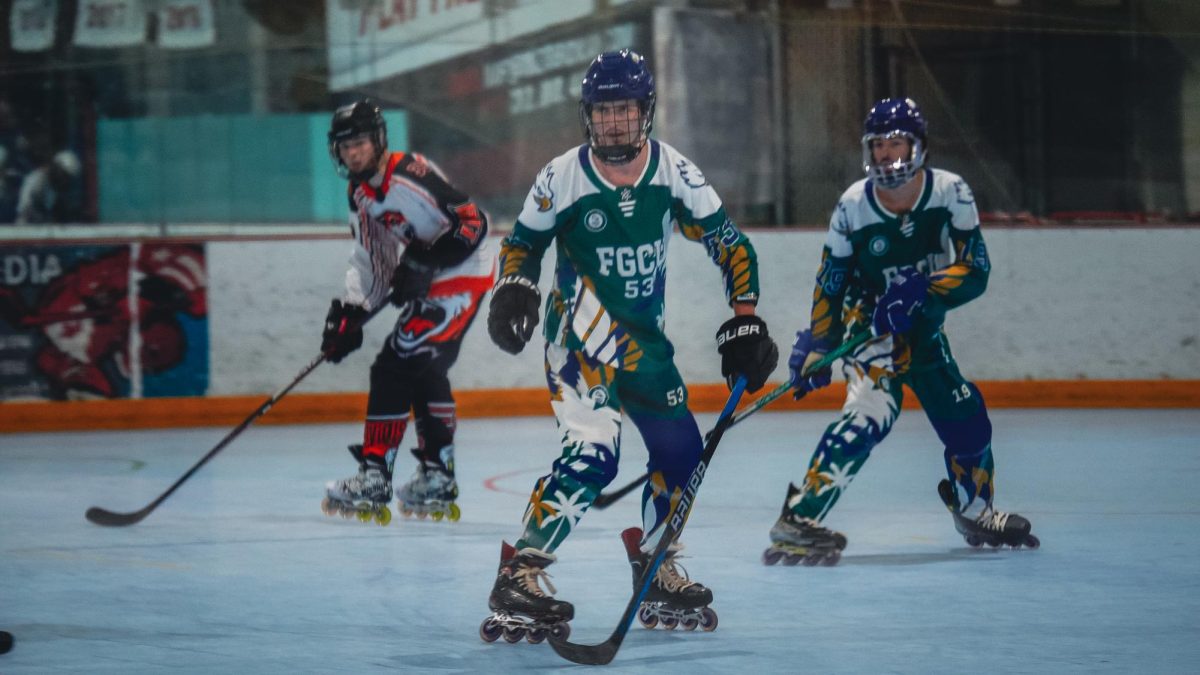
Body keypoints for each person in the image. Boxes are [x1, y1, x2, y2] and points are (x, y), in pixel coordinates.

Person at [479, 50, 778, 643]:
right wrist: (514, 286)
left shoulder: (675, 173)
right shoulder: (561, 175)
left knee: (684, 457)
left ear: (646, 112)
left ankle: (656, 560)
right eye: (604, 110)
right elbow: (522, 245)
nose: (614, 121)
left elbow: (731, 245)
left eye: (626, 109)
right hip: (580, 347)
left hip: (645, 349)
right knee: (594, 457)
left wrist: (746, 319)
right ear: (588, 116)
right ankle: (522, 571)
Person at [762, 98, 1039, 567]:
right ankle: (799, 519)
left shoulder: (952, 193)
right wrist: (822, 343)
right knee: (872, 413)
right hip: (868, 328)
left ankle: (974, 509)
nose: (888, 156)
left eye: (897, 145)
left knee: (967, 418)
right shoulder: (853, 206)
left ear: (919, 147)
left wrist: (925, 291)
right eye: (880, 147)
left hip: (923, 330)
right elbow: (831, 280)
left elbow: (977, 270)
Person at [318, 99, 495, 525]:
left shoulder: (408, 173)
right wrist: (351, 312)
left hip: (466, 270)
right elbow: (374, 261)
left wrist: (425, 261)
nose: (353, 152)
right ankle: (436, 476)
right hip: (436, 277)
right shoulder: (360, 193)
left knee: (395, 365)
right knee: (421, 369)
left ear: (377, 140)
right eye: (345, 146)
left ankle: (375, 475)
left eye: (359, 142)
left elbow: (473, 224)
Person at [15, 149, 82, 224]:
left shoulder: (57, 189)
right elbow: (26, 210)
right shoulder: (36, 180)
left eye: (68, 178)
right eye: (64, 175)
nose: (65, 180)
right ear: (57, 168)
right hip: (27, 230)